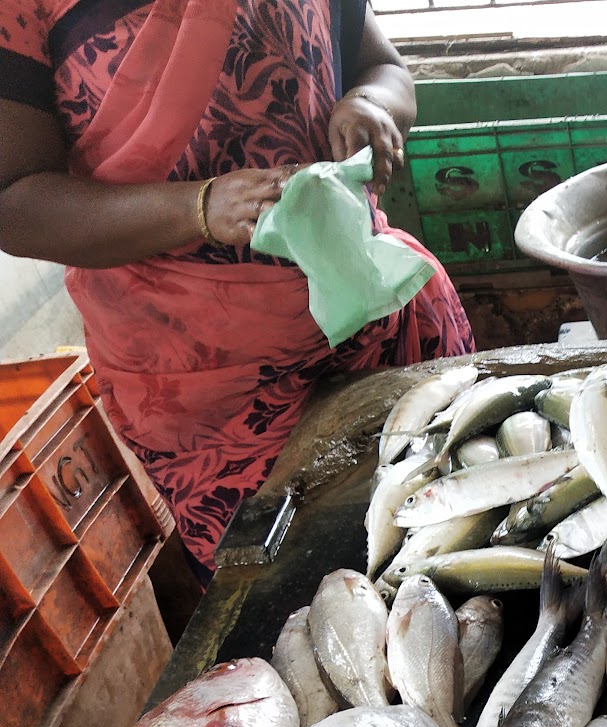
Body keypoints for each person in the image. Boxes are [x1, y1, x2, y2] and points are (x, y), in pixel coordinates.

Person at [0, 0, 474, 578]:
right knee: (287, 590)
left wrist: (373, 104)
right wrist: (198, 208)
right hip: (205, 390)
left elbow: (383, 66)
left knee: (453, 529)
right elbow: (14, 202)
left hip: (380, 314)